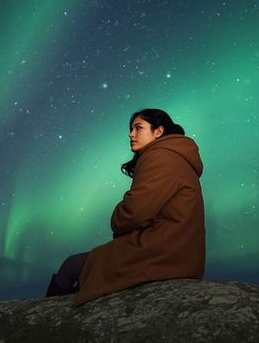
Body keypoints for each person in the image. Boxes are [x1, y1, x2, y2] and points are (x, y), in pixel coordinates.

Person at [45, 108, 205, 307]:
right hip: (178, 250)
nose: (131, 134)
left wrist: (117, 216)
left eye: (138, 128)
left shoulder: (161, 157)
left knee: (72, 266)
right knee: (84, 271)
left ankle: (49, 315)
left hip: (163, 249)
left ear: (158, 131)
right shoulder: (173, 156)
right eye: (131, 129)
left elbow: (133, 213)